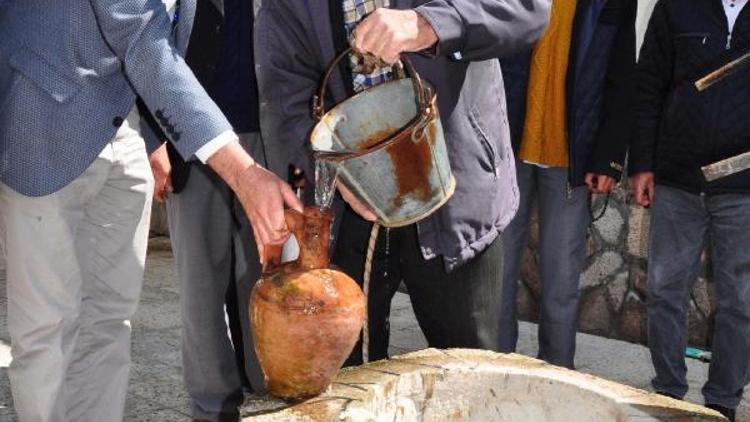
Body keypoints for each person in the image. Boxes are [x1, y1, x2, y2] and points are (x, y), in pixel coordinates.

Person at [0, 1, 301, 421]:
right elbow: (144, 39)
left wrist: (150, 136)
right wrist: (244, 172)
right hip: (42, 121)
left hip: (124, 127)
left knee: (109, 319)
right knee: (45, 328)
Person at [255, 0, 550, 364]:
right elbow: (284, 88)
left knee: (468, 374)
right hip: (351, 201)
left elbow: (528, 10)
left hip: (454, 193)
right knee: (347, 380)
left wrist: (428, 24)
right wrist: (329, 167)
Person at [145, 0, 267, 420]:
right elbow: (146, 42)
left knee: (268, 279)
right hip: (189, 140)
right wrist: (153, 139)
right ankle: (212, 408)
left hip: (271, 133)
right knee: (201, 288)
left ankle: (271, 392)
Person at [498, 0, 636, 369]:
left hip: (569, 156)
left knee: (561, 280)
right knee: (497, 274)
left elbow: (621, 75)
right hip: (507, 147)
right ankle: (493, 371)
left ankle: (557, 376)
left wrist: (607, 156)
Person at [631, 1, 750, 420]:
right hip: (678, 179)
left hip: (743, 188)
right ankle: (667, 394)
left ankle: (723, 403)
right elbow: (649, 84)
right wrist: (643, 163)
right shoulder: (678, 6)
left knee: (741, 303)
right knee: (664, 292)